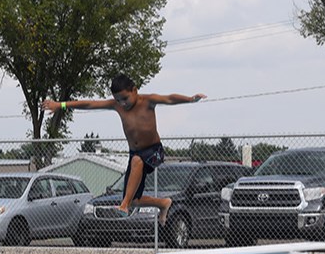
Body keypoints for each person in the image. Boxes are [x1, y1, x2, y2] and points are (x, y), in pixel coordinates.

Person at [43, 74, 205, 226]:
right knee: (135, 199)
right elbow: (89, 104)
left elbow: (169, 99)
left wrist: (190, 99)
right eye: (118, 100)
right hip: (135, 154)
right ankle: (163, 203)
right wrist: (61, 105)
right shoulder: (117, 106)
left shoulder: (148, 101)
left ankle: (123, 206)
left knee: (135, 167)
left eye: (125, 98)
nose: (122, 103)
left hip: (154, 151)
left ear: (134, 90)